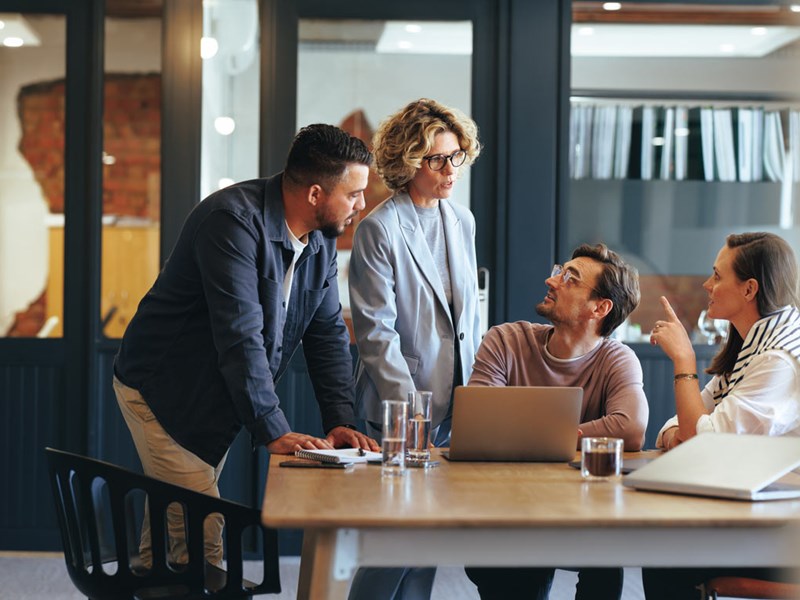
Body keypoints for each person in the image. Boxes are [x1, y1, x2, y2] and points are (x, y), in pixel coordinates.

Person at [113, 124, 379, 568]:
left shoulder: (319, 242)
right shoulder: (232, 222)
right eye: (353, 194)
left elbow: (327, 332)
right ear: (316, 194)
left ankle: (152, 577)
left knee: (171, 530)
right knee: (201, 539)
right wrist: (272, 428)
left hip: (216, 391)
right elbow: (240, 333)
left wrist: (340, 421)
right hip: (162, 390)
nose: (362, 204)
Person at [347, 98, 482, 600]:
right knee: (395, 542)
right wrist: (414, 418)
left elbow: (469, 316)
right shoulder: (379, 229)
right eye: (437, 159)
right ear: (408, 161)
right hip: (400, 411)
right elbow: (376, 332)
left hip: (457, 404)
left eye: (456, 157)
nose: (450, 170)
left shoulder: (461, 221)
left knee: (426, 541)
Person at [464, 242, 649, 600]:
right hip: (509, 508)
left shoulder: (618, 359)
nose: (552, 281)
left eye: (569, 279)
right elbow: (479, 420)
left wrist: (531, 433)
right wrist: (571, 434)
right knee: (511, 572)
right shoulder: (505, 340)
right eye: (558, 271)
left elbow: (630, 428)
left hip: (584, 512)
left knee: (607, 553)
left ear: (600, 307)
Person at [643, 231, 800, 599]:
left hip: (785, 531)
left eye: (717, 275)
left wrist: (683, 359)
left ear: (749, 290)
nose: (706, 284)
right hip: (757, 509)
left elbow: (703, 443)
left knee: (663, 551)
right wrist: (686, 434)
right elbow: (679, 427)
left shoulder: (778, 361)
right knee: (661, 544)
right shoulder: (752, 347)